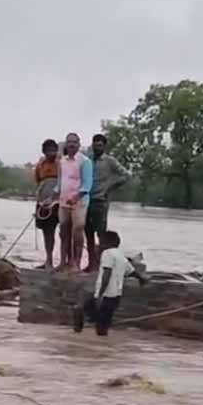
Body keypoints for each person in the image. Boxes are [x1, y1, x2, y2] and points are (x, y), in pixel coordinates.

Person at [73, 231, 143, 336]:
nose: (99, 245)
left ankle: (79, 332)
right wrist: (142, 279)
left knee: (80, 308)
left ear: (107, 243)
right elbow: (132, 272)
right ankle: (101, 344)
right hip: (115, 297)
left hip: (105, 295)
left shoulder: (107, 253)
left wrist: (100, 294)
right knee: (102, 325)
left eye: (101, 243)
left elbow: (107, 273)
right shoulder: (121, 256)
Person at [84, 133, 132, 272]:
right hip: (87, 201)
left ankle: (103, 264)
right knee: (88, 234)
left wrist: (111, 187)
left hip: (101, 201)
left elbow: (126, 175)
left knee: (101, 234)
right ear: (92, 145)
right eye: (95, 144)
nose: (97, 147)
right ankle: (91, 264)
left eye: (100, 145)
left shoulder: (110, 161)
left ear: (104, 146)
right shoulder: (88, 160)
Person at [54, 132, 93, 272]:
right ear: (66, 144)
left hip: (80, 202)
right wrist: (54, 193)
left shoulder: (85, 161)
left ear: (79, 145)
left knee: (77, 230)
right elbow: (60, 182)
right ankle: (63, 262)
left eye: (74, 142)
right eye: (69, 142)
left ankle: (76, 263)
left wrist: (76, 197)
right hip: (64, 201)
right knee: (63, 231)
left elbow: (88, 184)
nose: (71, 144)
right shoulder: (62, 161)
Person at [34, 139, 60, 269]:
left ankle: (65, 262)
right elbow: (39, 183)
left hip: (59, 202)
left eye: (54, 150)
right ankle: (48, 260)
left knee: (64, 232)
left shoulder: (61, 164)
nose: (52, 153)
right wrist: (40, 200)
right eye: (49, 150)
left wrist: (54, 198)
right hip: (43, 203)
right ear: (44, 152)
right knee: (47, 232)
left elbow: (65, 183)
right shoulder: (40, 166)